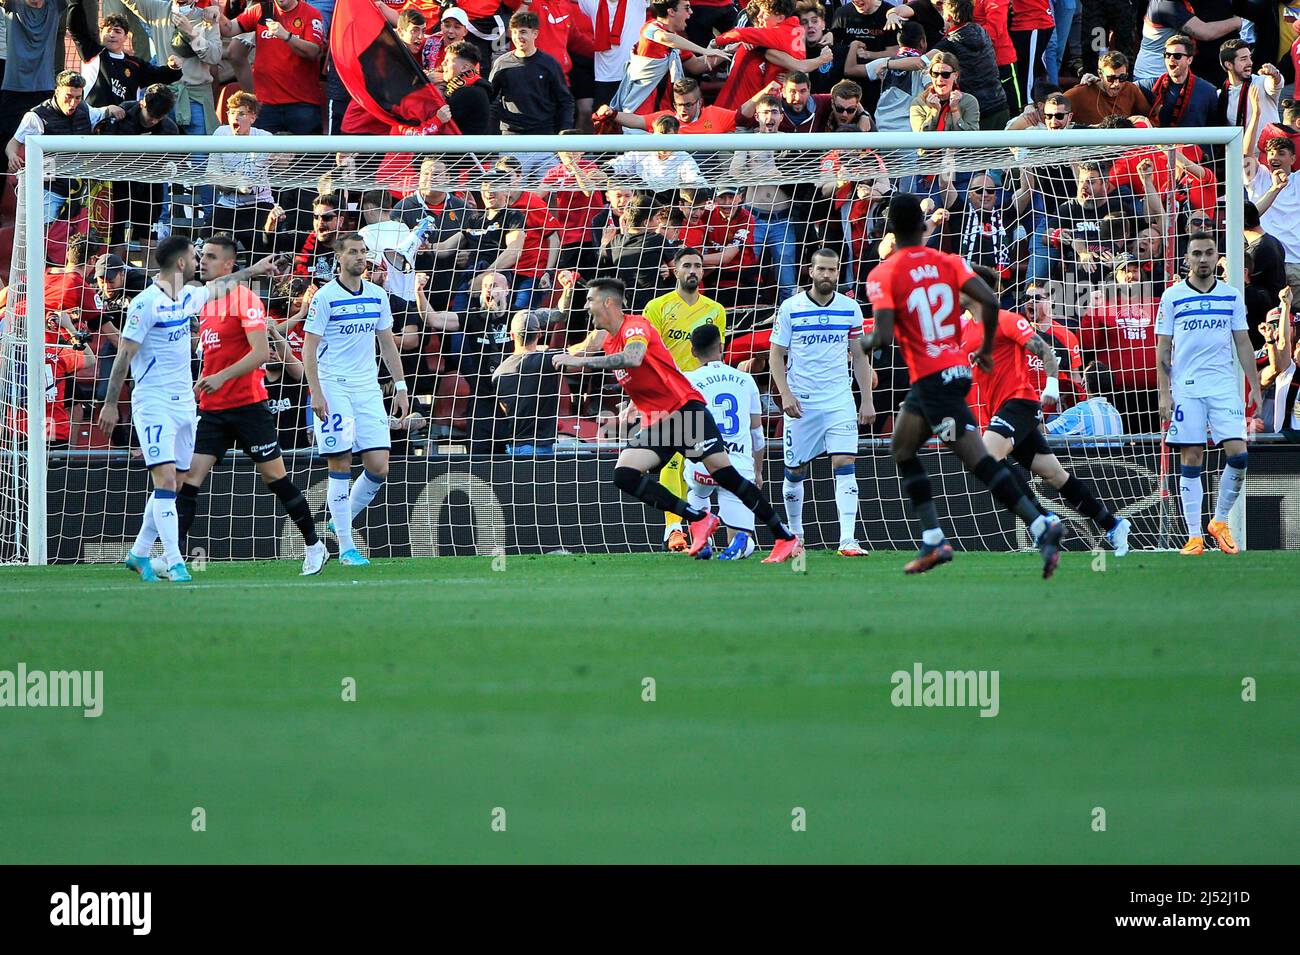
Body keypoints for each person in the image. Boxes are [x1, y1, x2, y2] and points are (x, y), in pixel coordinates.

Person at [862, 192, 1063, 577]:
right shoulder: (949, 261)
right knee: (915, 450)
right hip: (953, 372)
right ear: (923, 227)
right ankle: (952, 537)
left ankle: (1026, 527)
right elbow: (989, 299)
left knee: (951, 457)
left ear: (890, 229)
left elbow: (883, 336)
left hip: (931, 378)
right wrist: (986, 347)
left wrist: (862, 341)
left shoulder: (882, 273)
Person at [553, 276, 802, 562]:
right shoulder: (610, 341)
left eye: (590, 300)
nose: (586, 306)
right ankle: (698, 518)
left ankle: (785, 537)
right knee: (624, 474)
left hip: (685, 413)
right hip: (660, 421)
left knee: (727, 477)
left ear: (608, 302)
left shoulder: (635, 326)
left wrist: (582, 362)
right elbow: (645, 377)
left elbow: (634, 358)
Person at [95, 234, 299, 582]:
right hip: (153, 402)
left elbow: (221, 286)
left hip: (185, 404)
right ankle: (175, 562)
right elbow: (124, 356)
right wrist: (111, 404)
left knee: (173, 485)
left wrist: (255, 269)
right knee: (166, 479)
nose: (199, 261)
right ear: (180, 263)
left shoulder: (188, 295)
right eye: (194, 255)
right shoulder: (145, 304)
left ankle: (139, 553)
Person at [174, 234, 328, 575]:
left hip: (248, 406)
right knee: (189, 480)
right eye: (203, 256)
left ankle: (314, 544)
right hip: (213, 409)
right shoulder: (205, 302)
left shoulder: (246, 299)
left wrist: (220, 377)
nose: (204, 261)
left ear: (230, 264)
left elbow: (260, 353)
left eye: (212, 257)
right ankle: (175, 558)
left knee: (275, 478)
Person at [960, 265, 1131, 555]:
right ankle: (1113, 524)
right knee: (1054, 474)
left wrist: (1052, 384)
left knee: (986, 458)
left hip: (1019, 403)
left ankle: (1041, 519)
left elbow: (1045, 351)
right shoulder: (966, 330)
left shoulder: (1006, 319)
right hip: (999, 411)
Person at [301, 233, 412, 567]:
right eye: (353, 252)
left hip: (367, 389)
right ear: (339, 258)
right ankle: (348, 549)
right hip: (333, 386)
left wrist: (402, 387)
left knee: (379, 466)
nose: (360, 257)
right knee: (341, 463)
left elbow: (388, 344)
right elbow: (308, 348)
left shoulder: (378, 295)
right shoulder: (325, 297)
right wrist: (316, 392)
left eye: (363, 252)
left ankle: (342, 518)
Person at [1156, 232, 1262, 556]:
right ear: (1187, 259)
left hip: (1223, 386)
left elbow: (1243, 342)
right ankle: (1193, 536)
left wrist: (1255, 385)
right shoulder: (1172, 297)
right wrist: (1164, 394)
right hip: (1186, 388)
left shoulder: (1231, 296)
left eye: (1209, 253)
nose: (1203, 259)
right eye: (1197, 253)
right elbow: (1162, 347)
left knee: (1239, 455)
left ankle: (1218, 521)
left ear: (1217, 257)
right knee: (1192, 457)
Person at [769, 247, 875, 555]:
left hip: (839, 398)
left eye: (833, 270)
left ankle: (847, 540)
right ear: (811, 271)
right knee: (794, 471)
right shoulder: (791, 307)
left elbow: (859, 355)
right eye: (822, 270)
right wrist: (785, 394)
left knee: (844, 463)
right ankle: (796, 536)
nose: (828, 275)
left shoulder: (850, 308)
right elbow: (776, 354)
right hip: (802, 401)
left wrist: (865, 399)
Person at [643, 248, 726, 551]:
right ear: (675, 271)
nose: (693, 270)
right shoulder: (657, 307)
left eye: (698, 266)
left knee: (705, 463)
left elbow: (717, 354)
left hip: (702, 394)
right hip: (667, 392)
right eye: (687, 265)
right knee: (672, 459)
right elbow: (648, 351)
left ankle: (703, 524)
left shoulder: (715, 310)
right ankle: (673, 528)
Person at [683, 323, 765, 560]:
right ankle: (741, 543)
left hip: (703, 465)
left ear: (692, 351)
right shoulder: (746, 380)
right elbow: (757, 433)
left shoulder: (688, 380)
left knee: (696, 492)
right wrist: (757, 471)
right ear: (722, 346)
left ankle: (703, 537)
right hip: (737, 466)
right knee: (742, 535)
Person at [4, 70, 125, 224]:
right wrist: (12, 155)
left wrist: (112, 108)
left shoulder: (85, 110)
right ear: (57, 92)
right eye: (68, 97)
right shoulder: (36, 116)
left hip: (80, 191)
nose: (73, 103)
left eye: (77, 98)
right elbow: (13, 143)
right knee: (42, 235)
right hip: (48, 190)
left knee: (79, 240)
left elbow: (102, 112)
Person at [219, 0, 325, 135]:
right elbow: (229, 29)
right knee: (261, 155)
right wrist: (217, 15)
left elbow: (313, 52)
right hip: (266, 104)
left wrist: (286, 36)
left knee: (309, 155)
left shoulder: (311, 14)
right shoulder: (262, 10)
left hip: (302, 103)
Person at [489, 10, 575, 142]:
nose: (518, 37)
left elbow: (565, 101)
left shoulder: (549, 64)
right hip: (510, 137)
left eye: (523, 32)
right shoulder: (501, 64)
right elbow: (490, 99)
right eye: (515, 32)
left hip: (543, 136)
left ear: (535, 34)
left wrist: (564, 132)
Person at [492, 308, 567, 455]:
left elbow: (505, 409)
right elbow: (587, 349)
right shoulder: (548, 360)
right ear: (539, 334)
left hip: (514, 448)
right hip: (539, 448)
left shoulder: (498, 373)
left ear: (512, 335)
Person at [1139, 34, 1218, 129]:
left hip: (1194, 143)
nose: (1171, 59)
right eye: (1167, 55)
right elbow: (1125, 87)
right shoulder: (1151, 85)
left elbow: (1215, 128)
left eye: (1177, 56)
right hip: (1161, 142)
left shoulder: (1208, 91)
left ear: (1189, 60)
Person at [1045, 360, 1126, 438]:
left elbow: (1044, 431)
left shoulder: (1079, 412)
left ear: (1084, 385)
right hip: (1116, 452)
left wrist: (1036, 412)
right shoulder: (1115, 413)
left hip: (1088, 452)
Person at [1067, 52, 1151, 125]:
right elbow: (1055, 104)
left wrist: (1135, 124)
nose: (1116, 83)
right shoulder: (1081, 92)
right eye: (1111, 78)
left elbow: (1151, 116)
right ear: (1100, 74)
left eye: (1122, 77)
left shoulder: (1130, 89)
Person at [909, 51, 978, 133]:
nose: (940, 79)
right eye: (935, 74)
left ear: (955, 75)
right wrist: (934, 112)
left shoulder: (969, 101)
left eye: (945, 74)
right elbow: (921, 138)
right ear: (930, 75)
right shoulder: (919, 103)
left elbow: (971, 139)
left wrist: (955, 110)